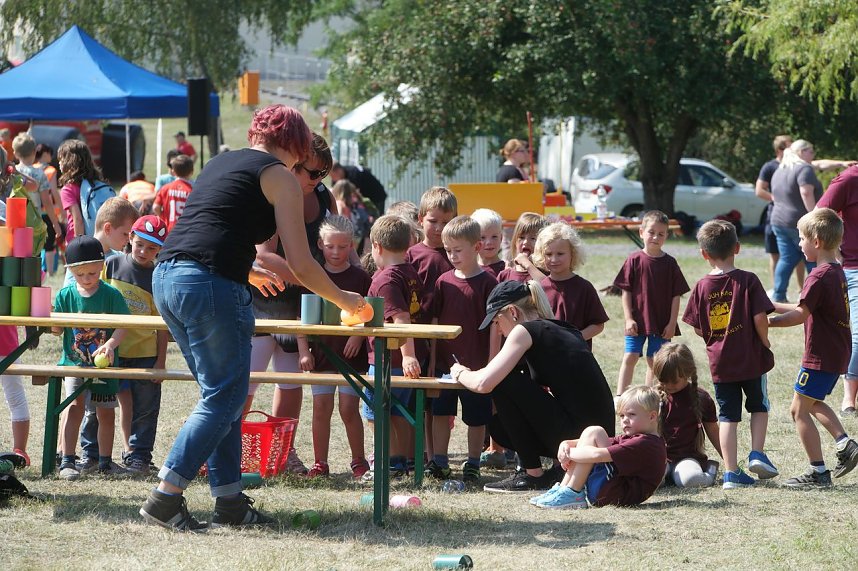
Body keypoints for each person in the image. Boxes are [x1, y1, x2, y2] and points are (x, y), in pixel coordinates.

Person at [139, 104, 363, 531]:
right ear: (296, 144)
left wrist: (245, 268)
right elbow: (301, 264)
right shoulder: (280, 176)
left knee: (220, 396)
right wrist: (346, 300)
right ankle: (164, 497)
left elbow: (209, 227)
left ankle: (229, 503)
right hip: (207, 284)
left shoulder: (221, 162)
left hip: (168, 279)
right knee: (224, 398)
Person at [449, 280, 615, 493]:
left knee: (504, 382)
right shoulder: (562, 328)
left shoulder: (525, 332)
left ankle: (531, 474)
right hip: (598, 437)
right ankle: (556, 468)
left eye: (497, 321)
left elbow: (484, 383)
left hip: (584, 439)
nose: (497, 330)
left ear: (513, 312)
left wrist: (460, 372)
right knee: (501, 420)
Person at [244, 132, 337, 475]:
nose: (317, 180)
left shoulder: (325, 198)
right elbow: (264, 256)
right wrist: (311, 279)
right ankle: (228, 450)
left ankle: (284, 451)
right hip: (260, 302)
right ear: (294, 166)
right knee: (245, 385)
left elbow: (338, 243)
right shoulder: (276, 194)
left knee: (291, 383)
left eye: (323, 174)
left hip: (301, 307)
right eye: (312, 173)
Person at [682, 219, 778, 488]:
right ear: (737, 247)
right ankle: (757, 453)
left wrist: (717, 338)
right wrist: (765, 341)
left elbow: (699, 328)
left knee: (728, 416)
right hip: (751, 359)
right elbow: (760, 318)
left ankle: (731, 472)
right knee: (759, 406)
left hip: (721, 364)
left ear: (704, 254)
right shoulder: (748, 280)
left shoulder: (701, 286)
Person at [769, 208, 858, 487]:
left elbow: (799, 315)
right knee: (811, 401)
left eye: (801, 238)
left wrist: (769, 323)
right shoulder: (836, 271)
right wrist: (769, 305)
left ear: (816, 241)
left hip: (820, 354)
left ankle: (818, 473)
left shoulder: (817, 276)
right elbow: (806, 308)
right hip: (836, 352)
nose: (799, 244)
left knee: (798, 409)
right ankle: (845, 444)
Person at [425, 215, 499, 483]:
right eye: (448, 251)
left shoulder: (489, 282)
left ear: (476, 248)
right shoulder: (443, 281)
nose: (453, 256)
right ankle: (440, 462)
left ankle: (473, 463)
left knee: (476, 418)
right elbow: (434, 321)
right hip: (445, 366)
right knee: (441, 413)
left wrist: (492, 364)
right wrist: (433, 359)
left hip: (478, 367)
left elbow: (495, 325)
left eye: (458, 250)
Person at [298, 215, 372, 479]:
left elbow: (370, 313)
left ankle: (358, 460)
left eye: (342, 247)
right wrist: (304, 350)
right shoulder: (312, 276)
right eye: (330, 246)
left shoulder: (361, 278)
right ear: (320, 244)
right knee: (321, 408)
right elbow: (302, 318)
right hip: (321, 355)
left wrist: (358, 336)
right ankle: (320, 463)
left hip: (351, 358)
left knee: (349, 409)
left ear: (351, 245)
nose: (336, 252)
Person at [53, 236, 131, 481]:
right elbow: (55, 328)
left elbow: (123, 326)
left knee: (106, 413)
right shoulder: (65, 295)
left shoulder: (111, 295)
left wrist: (109, 345)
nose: (87, 279)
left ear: (102, 268)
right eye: (80, 275)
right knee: (74, 409)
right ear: (72, 273)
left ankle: (105, 462)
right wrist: (51, 321)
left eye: (92, 274)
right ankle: (67, 460)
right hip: (74, 364)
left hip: (104, 367)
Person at [72, 197, 139, 468]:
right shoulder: (86, 258)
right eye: (126, 234)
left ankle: (100, 457)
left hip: (106, 349)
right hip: (81, 353)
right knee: (84, 408)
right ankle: (85, 455)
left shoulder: (113, 260)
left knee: (101, 407)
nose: (129, 241)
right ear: (109, 228)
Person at [102, 215, 170, 475]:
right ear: (130, 238)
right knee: (101, 404)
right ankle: (95, 453)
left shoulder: (158, 277)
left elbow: (162, 326)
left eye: (152, 248)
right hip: (111, 352)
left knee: (145, 410)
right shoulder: (111, 265)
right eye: (140, 244)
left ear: (160, 250)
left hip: (145, 353)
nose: (144, 251)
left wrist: (160, 361)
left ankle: (140, 456)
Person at [361, 215, 427, 481]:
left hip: (389, 358)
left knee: (375, 410)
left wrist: (408, 355)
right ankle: (399, 462)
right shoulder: (409, 272)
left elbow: (402, 319)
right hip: (399, 357)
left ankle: (387, 462)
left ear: (376, 246)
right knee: (398, 411)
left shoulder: (386, 279)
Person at [531, 386, 666, 509]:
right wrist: (565, 444)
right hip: (609, 489)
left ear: (652, 416)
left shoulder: (646, 444)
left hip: (613, 494)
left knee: (596, 432)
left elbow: (597, 456)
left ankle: (572, 492)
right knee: (594, 432)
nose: (624, 420)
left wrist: (569, 453)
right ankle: (564, 489)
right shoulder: (639, 438)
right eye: (622, 415)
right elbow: (592, 441)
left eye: (631, 415)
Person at [405, 186, 456, 465]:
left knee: (440, 403)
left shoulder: (456, 255)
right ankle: (419, 454)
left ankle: (439, 457)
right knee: (418, 401)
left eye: (447, 222)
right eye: (433, 221)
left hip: (447, 341)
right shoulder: (410, 255)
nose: (439, 228)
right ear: (421, 218)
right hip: (416, 339)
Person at [614, 210, 689, 393]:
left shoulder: (670, 263)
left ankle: (651, 395)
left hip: (661, 322)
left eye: (661, 234)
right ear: (641, 232)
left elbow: (676, 296)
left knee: (655, 360)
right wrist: (628, 318)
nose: (655, 237)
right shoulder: (634, 260)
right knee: (630, 356)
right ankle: (620, 396)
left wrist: (672, 323)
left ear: (667, 236)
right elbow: (626, 291)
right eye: (651, 232)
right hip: (637, 320)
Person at [816, 165, 858, 418]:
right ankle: (848, 396)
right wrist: (834, 250)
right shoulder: (850, 178)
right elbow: (819, 215)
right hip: (854, 267)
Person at [652, 343, 721, 488]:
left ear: (688, 373)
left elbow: (714, 432)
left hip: (687, 459)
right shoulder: (652, 398)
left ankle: (710, 470)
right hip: (660, 457)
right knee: (650, 478)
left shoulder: (701, 398)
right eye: (664, 380)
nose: (669, 385)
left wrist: (730, 462)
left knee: (691, 480)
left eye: (674, 381)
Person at [535, 222, 608, 349]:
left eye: (560, 254)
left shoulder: (584, 288)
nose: (554, 259)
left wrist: (573, 338)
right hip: (547, 356)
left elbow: (597, 325)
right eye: (548, 254)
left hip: (577, 356)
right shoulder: (538, 289)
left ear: (572, 254)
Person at [770, 140, 823, 303]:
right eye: (811, 151)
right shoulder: (804, 168)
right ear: (801, 152)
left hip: (779, 221)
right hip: (799, 223)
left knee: (786, 259)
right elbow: (806, 192)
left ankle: (778, 295)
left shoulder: (781, 168)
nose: (813, 154)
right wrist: (815, 215)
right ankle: (817, 295)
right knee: (812, 258)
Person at [755, 135, 804, 294]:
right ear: (779, 150)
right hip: (776, 216)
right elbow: (759, 190)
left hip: (794, 218)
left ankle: (801, 288)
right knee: (776, 255)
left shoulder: (797, 166)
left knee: (800, 255)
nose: (792, 150)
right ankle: (776, 288)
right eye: (788, 147)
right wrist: (775, 198)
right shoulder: (770, 166)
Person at [13, 133, 63, 258]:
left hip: (14, 221)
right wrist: (55, 224)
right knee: (33, 256)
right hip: (34, 222)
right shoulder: (40, 174)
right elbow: (47, 202)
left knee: (15, 256)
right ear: (35, 152)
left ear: (15, 153)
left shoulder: (12, 173)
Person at [57, 139, 108, 245]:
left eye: (61, 159)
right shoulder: (97, 184)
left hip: (79, 241)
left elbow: (78, 220)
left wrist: (78, 245)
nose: (59, 163)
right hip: (100, 239)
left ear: (69, 162)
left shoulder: (68, 189)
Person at [33, 143, 64, 274]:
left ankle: (36, 271)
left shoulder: (31, 168)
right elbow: (54, 192)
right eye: (50, 153)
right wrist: (62, 210)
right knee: (50, 242)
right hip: (47, 212)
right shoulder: (50, 171)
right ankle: (50, 272)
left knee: (35, 244)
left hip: (33, 212)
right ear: (45, 154)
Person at [497, 212, 547, 283]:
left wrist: (528, 265)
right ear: (515, 241)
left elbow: (549, 289)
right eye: (521, 237)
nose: (525, 242)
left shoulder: (545, 274)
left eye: (533, 238)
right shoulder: (504, 275)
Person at [152, 154, 194, 232]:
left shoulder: (165, 188)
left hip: (169, 229)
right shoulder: (192, 191)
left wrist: (163, 217)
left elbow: (155, 207)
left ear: (173, 171)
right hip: (187, 230)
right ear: (191, 172)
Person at [471, 208, 506, 277]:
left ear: (501, 238)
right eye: (482, 238)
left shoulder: (506, 271)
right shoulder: (468, 270)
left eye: (494, 236)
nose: (489, 242)